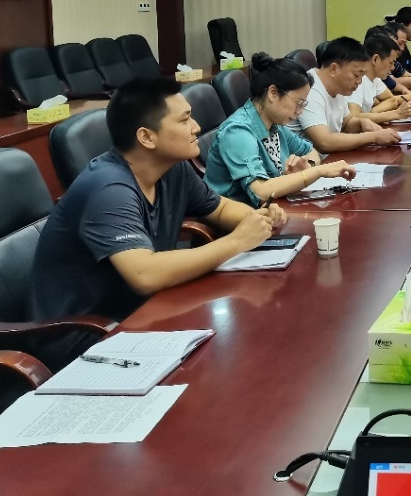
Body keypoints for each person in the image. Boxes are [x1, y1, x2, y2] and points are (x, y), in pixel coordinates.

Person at [31, 77, 291, 328]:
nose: (196, 127)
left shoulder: (172, 168)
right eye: (184, 120)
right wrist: (237, 241)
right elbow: (145, 274)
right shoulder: (108, 189)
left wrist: (256, 219)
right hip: (87, 333)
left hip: (146, 310)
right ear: (147, 137)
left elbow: (219, 208)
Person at [206, 53, 358, 205]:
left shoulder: (275, 125)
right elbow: (260, 192)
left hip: (275, 208)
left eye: (303, 105)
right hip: (237, 215)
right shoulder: (238, 131)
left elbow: (311, 151)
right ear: (273, 93)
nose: (300, 112)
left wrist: (308, 165)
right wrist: (316, 171)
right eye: (298, 103)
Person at [289, 37, 403, 153]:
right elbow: (324, 143)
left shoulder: (338, 87)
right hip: (308, 161)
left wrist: (361, 123)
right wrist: (373, 137)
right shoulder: (310, 89)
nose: (359, 81)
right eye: (356, 75)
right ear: (334, 69)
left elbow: (347, 123)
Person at [346, 30, 411, 125]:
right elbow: (354, 117)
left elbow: (392, 100)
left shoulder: (375, 78)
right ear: (375, 59)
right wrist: (396, 114)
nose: (393, 68)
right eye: (390, 62)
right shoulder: (357, 79)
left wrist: (373, 112)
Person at [371, 22, 411, 102]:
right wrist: (409, 97)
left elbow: (391, 98)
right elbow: (382, 103)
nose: (392, 67)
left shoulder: (377, 78)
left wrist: (405, 91)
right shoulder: (362, 77)